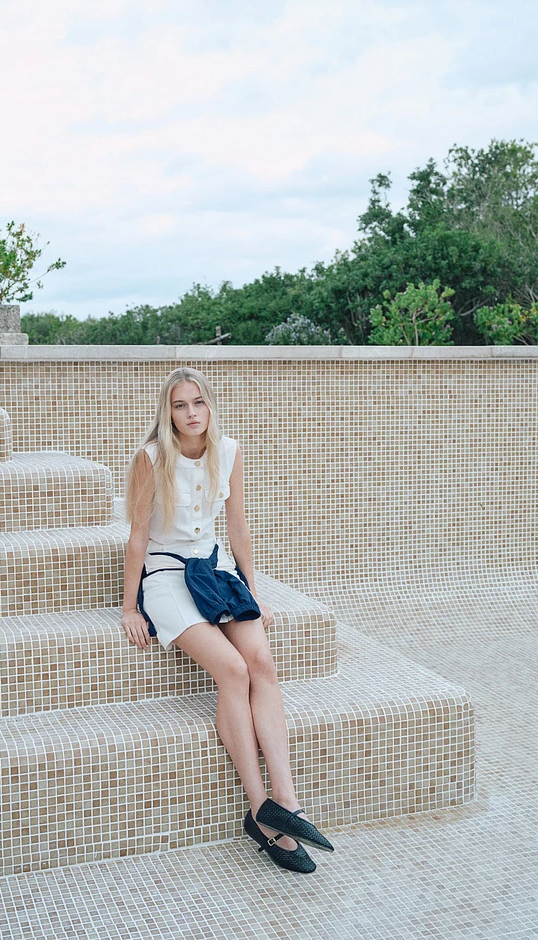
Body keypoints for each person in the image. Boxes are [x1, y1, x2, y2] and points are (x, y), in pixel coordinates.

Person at [122, 367, 333, 873]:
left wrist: (254, 596)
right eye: (180, 405)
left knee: (261, 661)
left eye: (198, 403)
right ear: (166, 412)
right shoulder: (151, 458)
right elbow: (136, 537)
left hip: (217, 571)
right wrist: (130, 607)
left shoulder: (229, 452)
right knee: (233, 672)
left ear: (210, 405)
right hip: (169, 577)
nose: (191, 413)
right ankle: (260, 810)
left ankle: (287, 798)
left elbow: (237, 525)